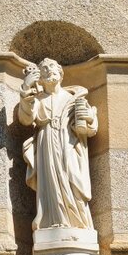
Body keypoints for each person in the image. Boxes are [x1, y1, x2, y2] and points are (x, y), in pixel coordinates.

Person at [18, 58, 98, 230]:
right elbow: (26, 119)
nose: (48, 70)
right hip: (46, 143)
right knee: (50, 186)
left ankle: (79, 223)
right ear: (40, 77)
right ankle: (52, 221)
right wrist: (26, 88)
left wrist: (89, 118)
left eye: (52, 66)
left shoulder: (74, 98)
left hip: (70, 144)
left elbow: (89, 129)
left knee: (73, 181)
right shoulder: (37, 99)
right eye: (44, 69)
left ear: (61, 72)